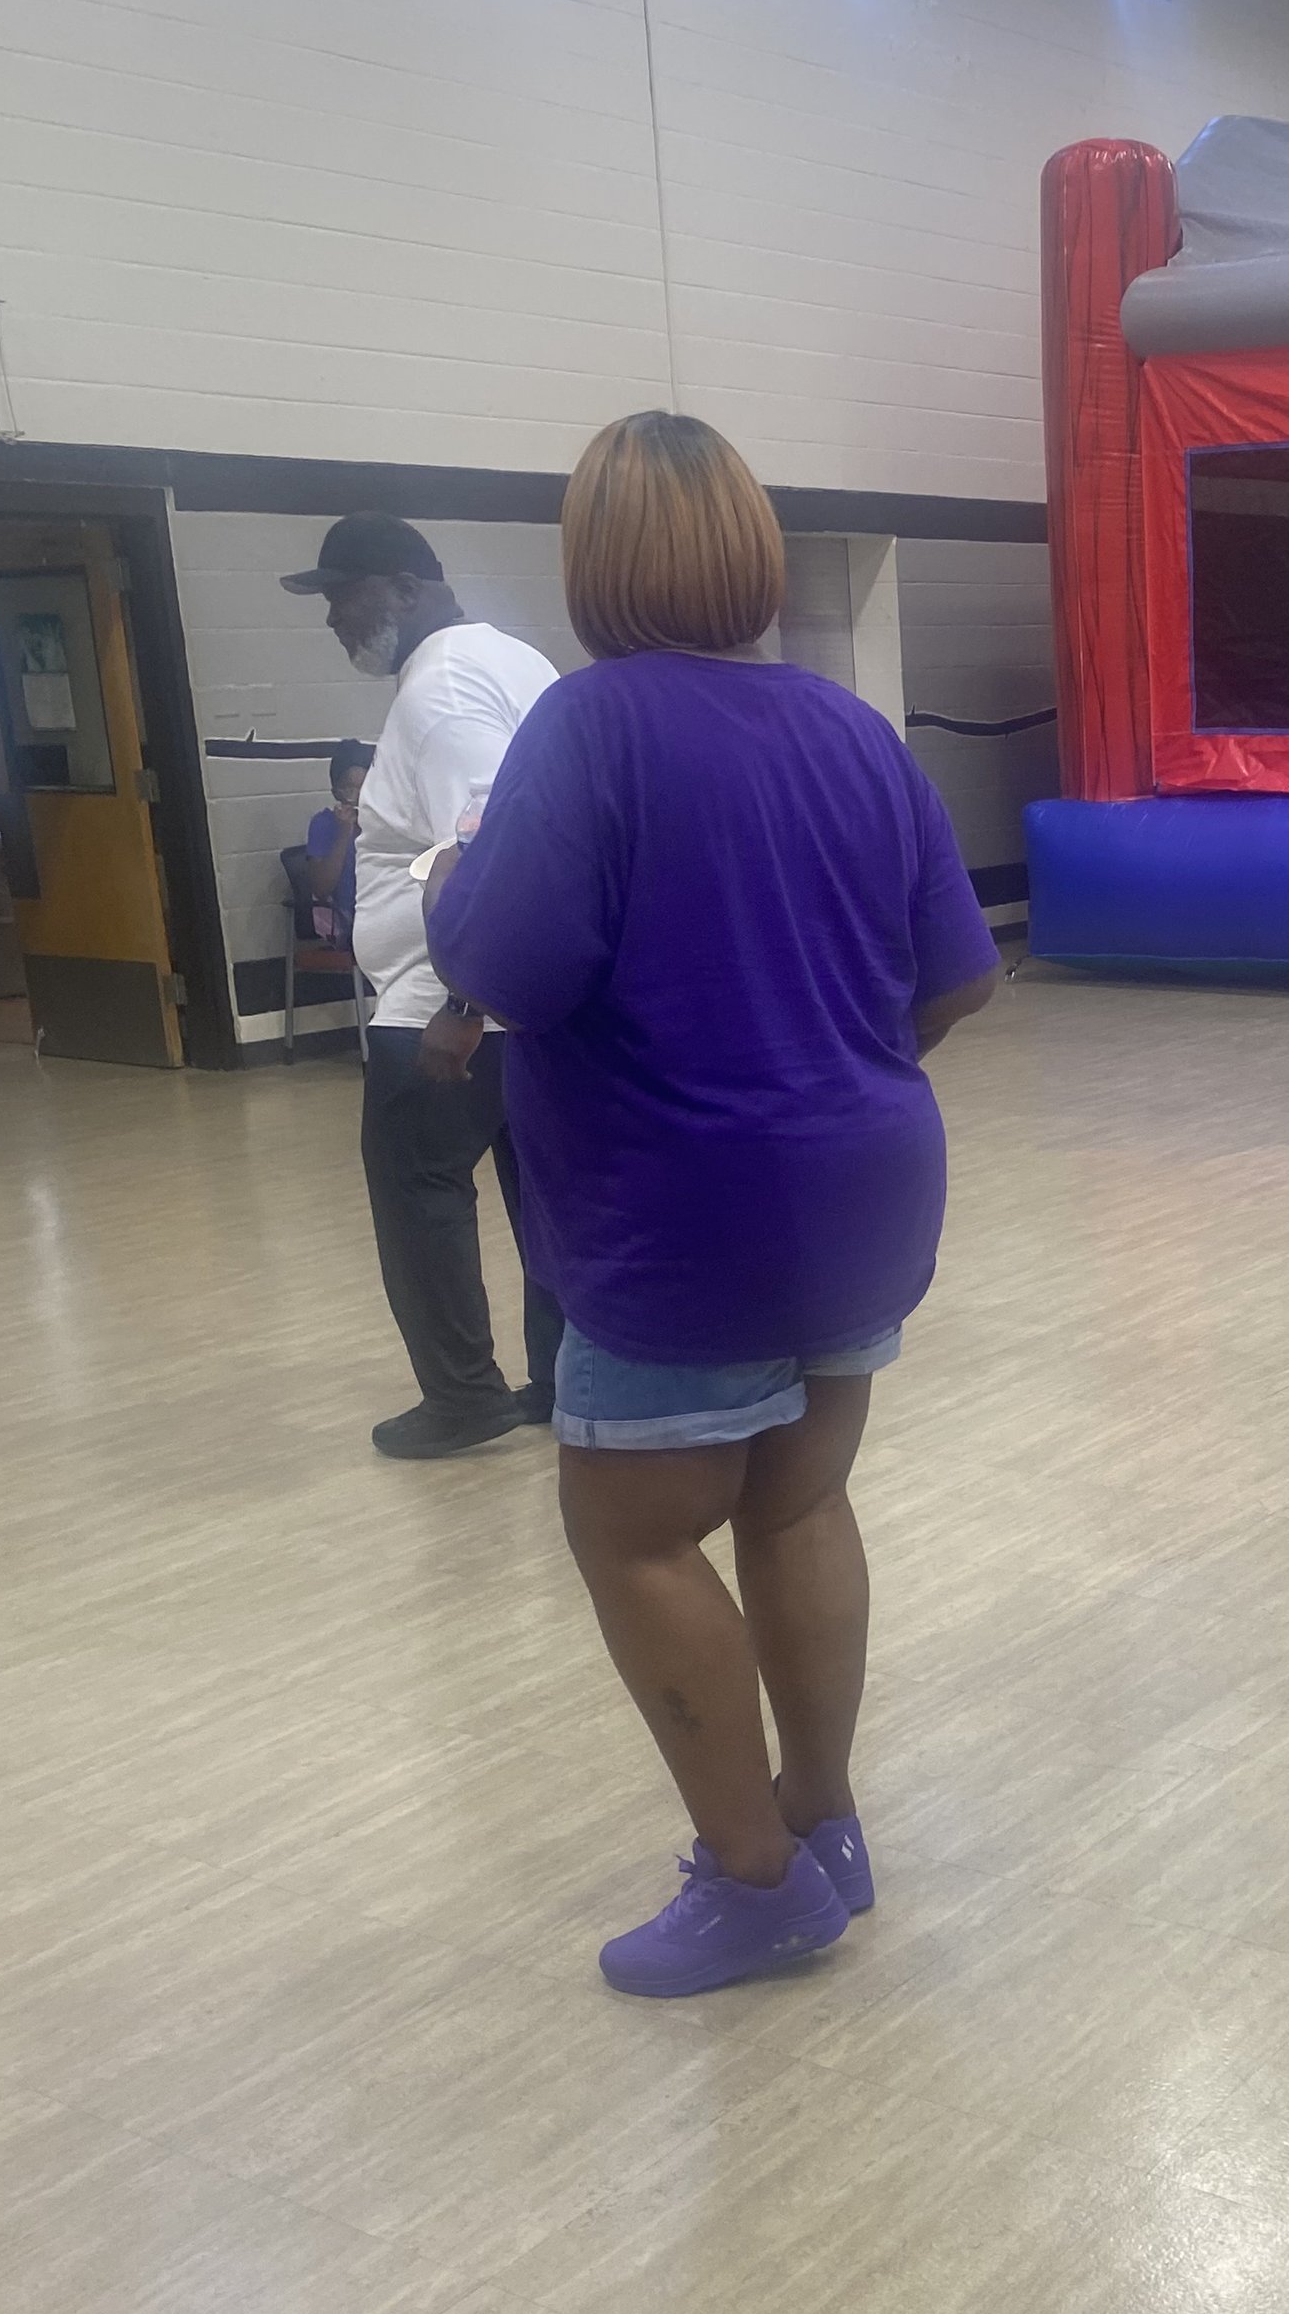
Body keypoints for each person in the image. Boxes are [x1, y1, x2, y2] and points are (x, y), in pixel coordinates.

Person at [427, 412, 1000, 1996]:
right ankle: (823, 1827)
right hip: (863, 1187)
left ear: (592, 562)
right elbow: (959, 976)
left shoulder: (589, 728)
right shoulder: (851, 731)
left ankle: (753, 1883)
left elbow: (513, 969)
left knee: (634, 1534)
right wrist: (832, 1067)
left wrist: (446, 885)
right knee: (798, 1503)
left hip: (680, 1211)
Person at [279, 512, 563, 1458]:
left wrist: (461, 1003)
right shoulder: (514, 661)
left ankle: (463, 1397)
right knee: (543, 1198)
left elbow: (486, 843)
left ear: (406, 588)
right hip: (541, 1006)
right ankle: (562, 1379)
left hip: (444, 1011)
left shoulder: (439, 691)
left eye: (343, 595)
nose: (334, 619)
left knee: (418, 1192)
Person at [297, 741, 372, 945]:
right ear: (336, 792)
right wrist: (344, 833)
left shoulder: (384, 822)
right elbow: (321, 890)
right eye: (350, 789)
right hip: (346, 920)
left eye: (365, 788)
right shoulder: (324, 824)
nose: (359, 797)